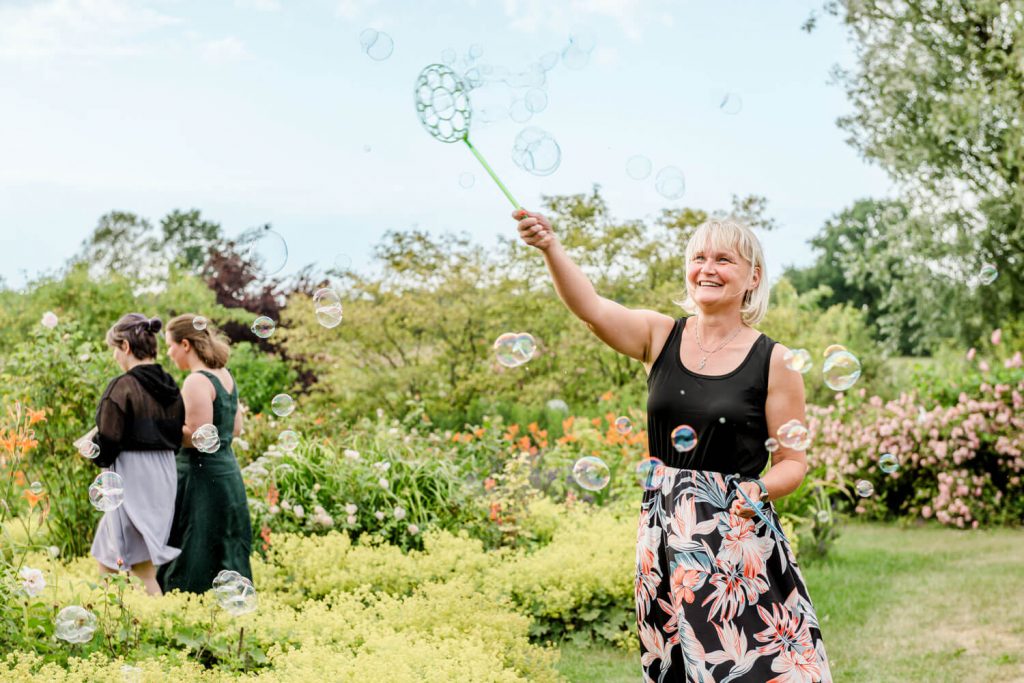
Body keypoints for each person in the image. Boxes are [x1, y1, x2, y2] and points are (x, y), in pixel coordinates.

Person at [514, 210, 831, 680]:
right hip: (663, 531)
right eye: (698, 257)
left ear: (753, 277)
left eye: (724, 259)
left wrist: (758, 490)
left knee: (755, 667)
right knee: (681, 667)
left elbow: (791, 462)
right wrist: (550, 248)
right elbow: (591, 308)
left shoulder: (775, 360)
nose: (707, 268)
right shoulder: (660, 335)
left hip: (733, 537)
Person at [157, 314, 253, 594]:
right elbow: (234, 430)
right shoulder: (226, 376)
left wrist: (162, 423)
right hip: (227, 472)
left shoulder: (196, 381)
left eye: (170, 346)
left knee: (193, 545)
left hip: (200, 477)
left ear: (185, 344)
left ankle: (185, 609)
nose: (168, 353)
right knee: (224, 544)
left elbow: (198, 438)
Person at [90, 314, 185, 596]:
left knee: (142, 570)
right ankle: (103, 615)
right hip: (163, 477)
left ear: (126, 347)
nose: (115, 357)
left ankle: (158, 629)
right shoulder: (170, 386)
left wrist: (90, 448)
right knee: (105, 554)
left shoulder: (123, 387)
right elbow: (173, 436)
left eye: (115, 350)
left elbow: (106, 443)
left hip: (130, 480)